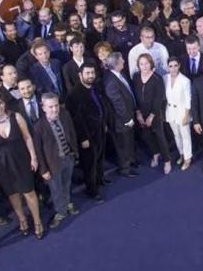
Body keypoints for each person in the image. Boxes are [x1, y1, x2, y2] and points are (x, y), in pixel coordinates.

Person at [0, 92, 44, 239]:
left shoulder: (16, 117)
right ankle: (22, 219)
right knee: (13, 194)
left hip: (21, 161)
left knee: (29, 192)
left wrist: (33, 157)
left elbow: (27, 137)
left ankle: (37, 221)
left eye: (1, 103)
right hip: (2, 165)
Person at [32, 93, 80, 229]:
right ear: (43, 108)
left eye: (56, 105)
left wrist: (74, 152)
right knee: (56, 189)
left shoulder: (65, 115)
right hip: (52, 164)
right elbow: (38, 150)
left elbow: (72, 133)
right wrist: (44, 169)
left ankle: (67, 203)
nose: (54, 109)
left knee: (66, 184)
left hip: (68, 158)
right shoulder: (38, 126)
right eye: (50, 106)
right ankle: (61, 211)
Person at [66, 63, 109, 202]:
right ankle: (92, 190)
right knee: (89, 164)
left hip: (99, 130)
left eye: (92, 73)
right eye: (87, 73)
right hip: (87, 136)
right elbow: (75, 119)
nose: (91, 76)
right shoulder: (74, 94)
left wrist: (104, 124)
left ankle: (99, 179)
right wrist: (83, 138)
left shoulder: (94, 87)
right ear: (80, 75)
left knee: (100, 158)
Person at [133, 54, 172, 174]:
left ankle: (167, 160)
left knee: (160, 136)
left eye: (146, 63)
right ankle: (156, 153)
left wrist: (152, 115)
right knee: (146, 136)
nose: (144, 66)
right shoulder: (135, 77)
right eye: (141, 64)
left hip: (155, 113)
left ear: (151, 64)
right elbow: (134, 95)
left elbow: (158, 98)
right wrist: (138, 112)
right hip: (141, 112)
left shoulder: (157, 78)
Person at [103, 52, 140, 178]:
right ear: (116, 64)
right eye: (122, 60)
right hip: (121, 120)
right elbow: (118, 103)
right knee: (123, 144)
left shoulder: (118, 74)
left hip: (128, 115)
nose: (124, 61)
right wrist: (127, 118)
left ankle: (131, 161)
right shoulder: (110, 82)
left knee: (129, 141)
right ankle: (125, 168)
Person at [164, 57, 194, 170]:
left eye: (175, 65)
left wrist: (186, 115)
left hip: (182, 111)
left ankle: (188, 158)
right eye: (170, 66)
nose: (173, 68)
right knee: (176, 135)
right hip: (170, 111)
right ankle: (181, 154)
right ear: (167, 67)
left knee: (185, 136)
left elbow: (188, 99)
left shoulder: (185, 80)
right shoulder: (164, 78)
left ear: (179, 66)